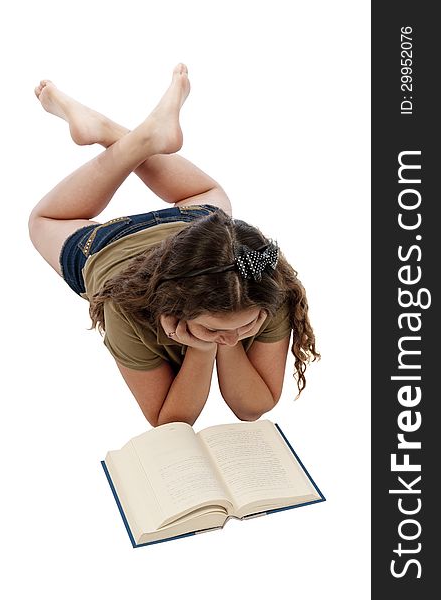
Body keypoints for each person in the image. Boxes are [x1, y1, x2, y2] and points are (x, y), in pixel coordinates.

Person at [28, 63, 319, 428]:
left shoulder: (263, 281)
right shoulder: (125, 304)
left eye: (245, 327)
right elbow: (170, 423)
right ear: (176, 304)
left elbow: (252, 407)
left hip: (197, 232)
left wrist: (211, 341)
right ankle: (121, 134)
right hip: (106, 245)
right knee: (43, 222)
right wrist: (201, 350)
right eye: (215, 328)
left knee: (210, 197)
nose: (230, 339)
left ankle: (121, 135)